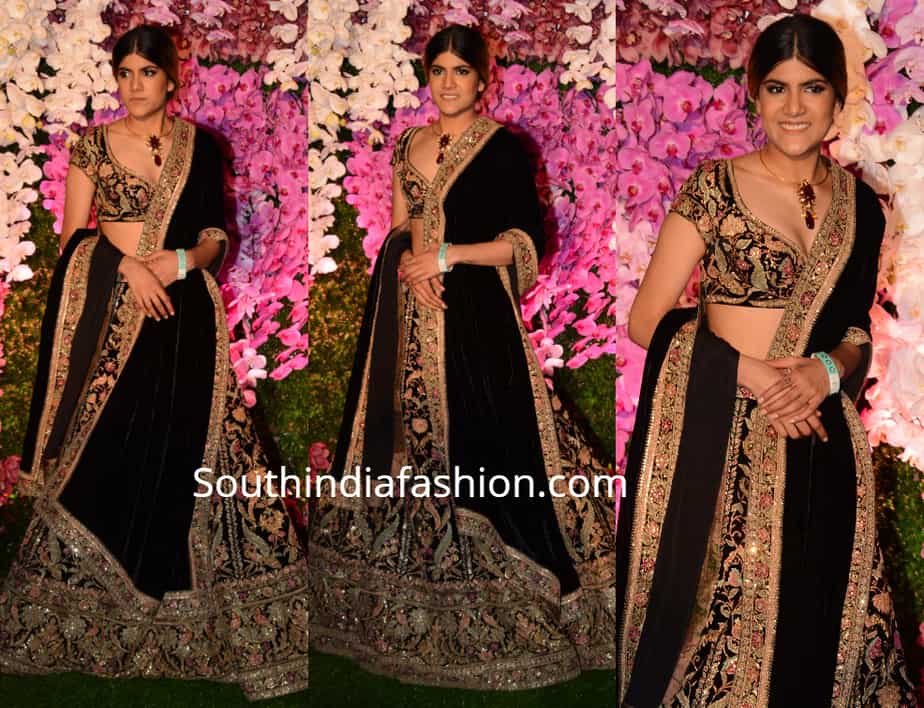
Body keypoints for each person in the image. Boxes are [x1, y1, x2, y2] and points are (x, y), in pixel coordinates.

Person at [0, 25, 308, 701]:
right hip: (115, 314)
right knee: (107, 451)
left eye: (147, 72)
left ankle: (188, 605)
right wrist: (129, 269)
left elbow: (215, 235)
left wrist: (178, 263)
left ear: (172, 78)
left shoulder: (201, 146)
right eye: (126, 73)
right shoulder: (92, 146)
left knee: (182, 449)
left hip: (183, 312)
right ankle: (93, 608)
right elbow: (72, 241)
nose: (135, 85)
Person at [616, 14, 916, 707]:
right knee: (716, 626)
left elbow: (855, 330)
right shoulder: (715, 188)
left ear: (839, 98)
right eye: (777, 88)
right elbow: (645, 320)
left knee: (818, 618)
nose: (794, 107)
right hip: (722, 432)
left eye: (813, 88)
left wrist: (825, 372)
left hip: (819, 431)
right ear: (754, 94)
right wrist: (751, 375)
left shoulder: (862, 207)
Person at [308, 24, 616, 689]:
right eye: (439, 70)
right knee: (403, 443)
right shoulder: (407, 144)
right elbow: (399, 227)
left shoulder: (502, 147)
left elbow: (525, 242)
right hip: (407, 312)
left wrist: (446, 257)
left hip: (474, 313)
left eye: (461, 71)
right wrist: (409, 264)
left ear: (483, 80)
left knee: (490, 443)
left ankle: (512, 584)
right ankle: (406, 592)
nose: (448, 83)